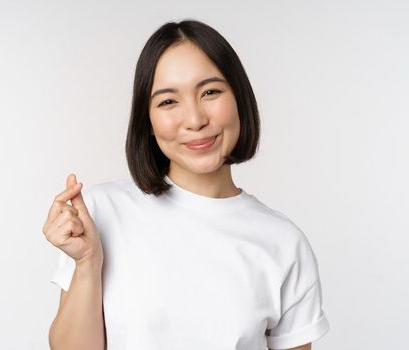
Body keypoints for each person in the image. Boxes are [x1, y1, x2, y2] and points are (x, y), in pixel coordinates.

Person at [42, 20, 330, 350]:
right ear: (147, 121)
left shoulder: (284, 243)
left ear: (238, 97)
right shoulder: (102, 212)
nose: (195, 120)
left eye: (210, 92)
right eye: (168, 101)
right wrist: (88, 262)